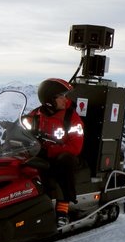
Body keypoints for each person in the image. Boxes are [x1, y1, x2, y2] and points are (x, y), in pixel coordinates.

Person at [25, 78, 84, 227]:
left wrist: (50, 150)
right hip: (41, 153)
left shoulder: (71, 117)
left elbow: (75, 147)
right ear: (50, 99)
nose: (66, 99)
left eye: (65, 95)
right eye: (61, 96)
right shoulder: (35, 115)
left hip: (63, 156)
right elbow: (23, 130)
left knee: (65, 161)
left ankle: (62, 208)